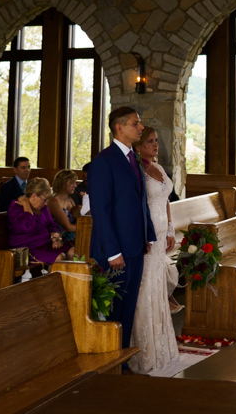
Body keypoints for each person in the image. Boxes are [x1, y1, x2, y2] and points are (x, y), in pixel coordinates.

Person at [90, 107, 156, 350]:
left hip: (135, 245)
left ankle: (123, 358)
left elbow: (140, 200)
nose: (140, 128)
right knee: (113, 309)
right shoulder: (103, 162)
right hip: (115, 249)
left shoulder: (132, 158)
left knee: (129, 306)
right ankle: (109, 357)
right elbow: (101, 210)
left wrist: (146, 236)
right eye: (135, 123)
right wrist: (112, 252)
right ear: (119, 127)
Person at [129, 126, 180, 374]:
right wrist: (145, 234)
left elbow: (166, 200)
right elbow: (137, 206)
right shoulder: (137, 170)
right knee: (145, 289)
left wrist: (170, 229)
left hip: (162, 238)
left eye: (156, 141)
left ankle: (162, 346)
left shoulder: (158, 168)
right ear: (138, 147)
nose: (155, 145)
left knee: (158, 287)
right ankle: (143, 350)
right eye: (150, 141)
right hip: (147, 237)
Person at [7, 176, 71, 265]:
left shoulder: (42, 207)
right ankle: (52, 279)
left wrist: (56, 238)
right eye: (44, 200)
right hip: (27, 249)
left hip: (45, 245)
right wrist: (27, 206)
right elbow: (28, 227)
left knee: (72, 252)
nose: (46, 203)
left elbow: (51, 225)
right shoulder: (16, 206)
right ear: (33, 196)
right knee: (60, 258)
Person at [48, 170, 78, 245]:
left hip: (72, 237)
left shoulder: (70, 200)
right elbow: (68, 227)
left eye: (75, 183)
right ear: (62, 184)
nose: (75, 186)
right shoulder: (54, 202)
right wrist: (89, 228)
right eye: (72, 183)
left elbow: (77, 219)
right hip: (58, 240)